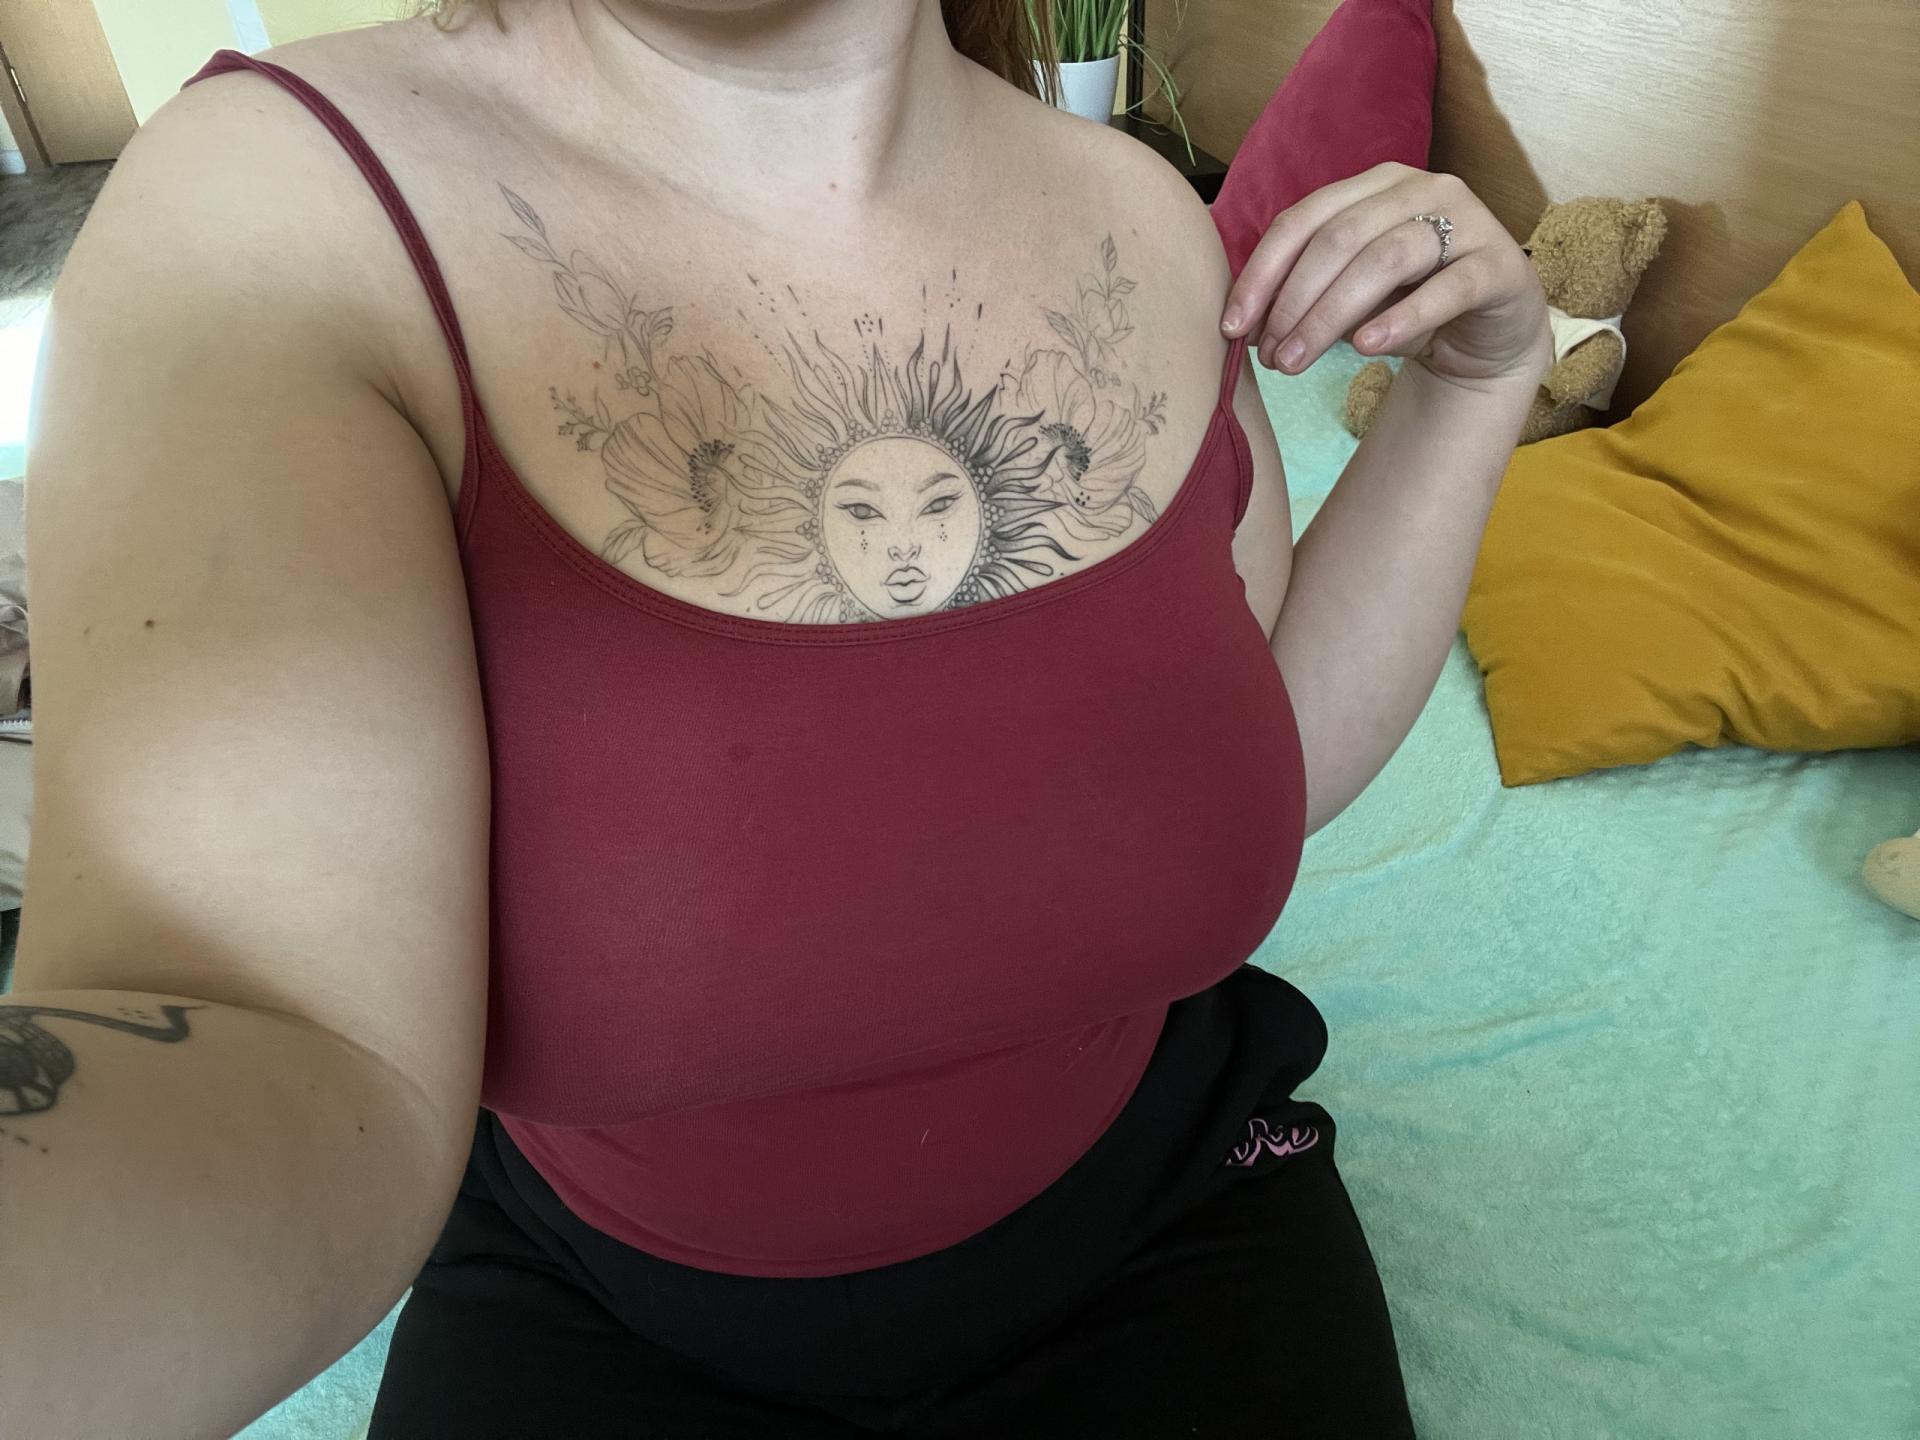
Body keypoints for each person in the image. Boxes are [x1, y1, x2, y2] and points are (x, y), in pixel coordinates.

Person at [4, 0, 1550, 1434]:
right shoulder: (286, 210)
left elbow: (1243, 767)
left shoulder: (1145, 217)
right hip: (602, 1296)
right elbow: (248, 1016)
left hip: (1169, 1215)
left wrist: (1478, 387)